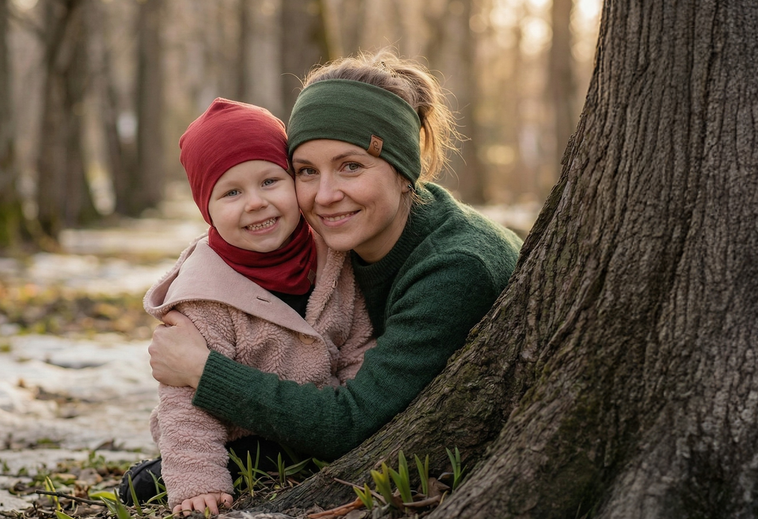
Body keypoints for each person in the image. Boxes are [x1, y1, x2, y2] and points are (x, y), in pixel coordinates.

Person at [148, 52, 523, 465]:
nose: (324, 196)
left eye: (350, 166)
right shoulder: (341, 246)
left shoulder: (455, 269)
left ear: (403, 171)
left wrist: (200, 370)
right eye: (306, 171)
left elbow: (350, 425)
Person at [125, 98, 374, 516]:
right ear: (207, 208)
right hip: (241, 435)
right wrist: (198, 483)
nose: (255, 203)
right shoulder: (205, 295)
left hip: (325, 419)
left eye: (270, 182)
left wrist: (359, 413)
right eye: (232, 192)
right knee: (166, 477)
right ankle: (174, 472)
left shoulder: (333, 258)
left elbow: (358, 344)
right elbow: (186, 405)